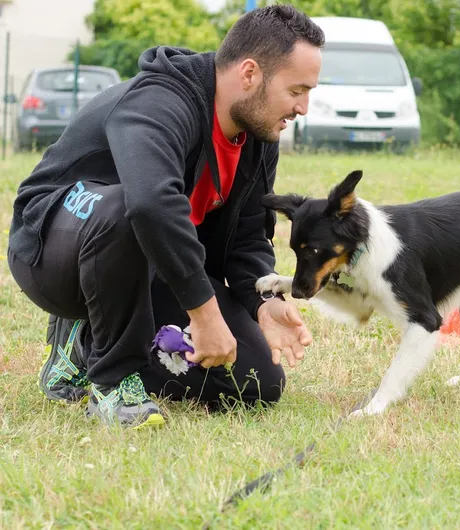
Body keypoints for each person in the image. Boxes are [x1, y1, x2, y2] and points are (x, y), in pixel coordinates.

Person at [6, 5, 324, 428]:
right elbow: (151, 204)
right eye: (296, 90)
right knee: (126, 206)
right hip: (53, 248)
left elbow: (247, 237)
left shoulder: (258, 132)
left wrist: (263, 302)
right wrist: (204, 314)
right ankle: (111, 379)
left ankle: (86, 343)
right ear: (249, 73)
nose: (302, 107)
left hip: (151, 266)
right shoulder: (162, 99)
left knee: (255, 382)